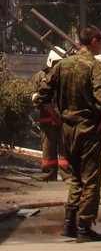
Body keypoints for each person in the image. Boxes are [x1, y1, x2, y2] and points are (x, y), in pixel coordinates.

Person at [38, 25, 101, 243]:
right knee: (90, 179)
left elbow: (43, 94)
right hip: (88, 129)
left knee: (77, 178)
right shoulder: (95, 67)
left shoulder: (63, 65)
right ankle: (85, 227)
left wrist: (57, 118)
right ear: (95, 42)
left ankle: (69, 224)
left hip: (68, 129)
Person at [29, 47, 72, 182]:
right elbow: (31, 91)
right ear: (50, 62)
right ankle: (48, 175)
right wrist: (36, 97)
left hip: (64, 118)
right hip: (47, 118)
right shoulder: (41, 76)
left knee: (65, 147)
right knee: (48, 148)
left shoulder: (67, 76)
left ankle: (67, 175)